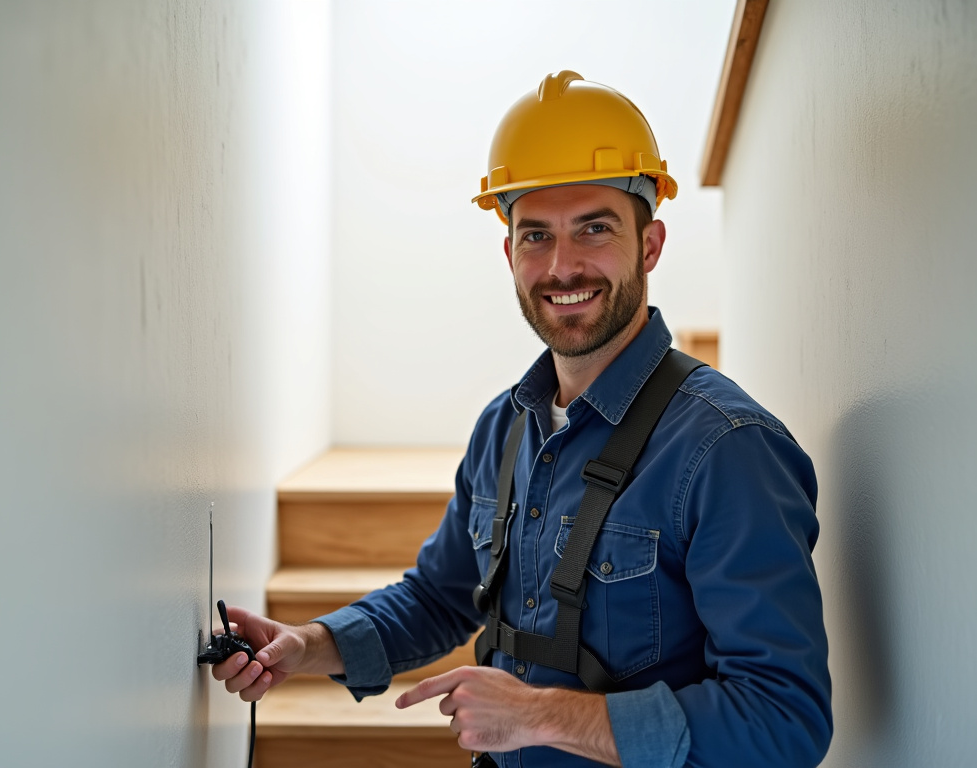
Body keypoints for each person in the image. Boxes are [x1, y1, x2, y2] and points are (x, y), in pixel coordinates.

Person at [210, 71, 832, 768]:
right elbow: (440, 597)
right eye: (535, 236)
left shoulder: (727, 450)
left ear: (650, 245)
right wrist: (309, 646)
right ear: (509, 253)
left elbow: (782, 723)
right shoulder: (505, 429)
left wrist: (539, 715)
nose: (562, 266)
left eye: (594, 229)